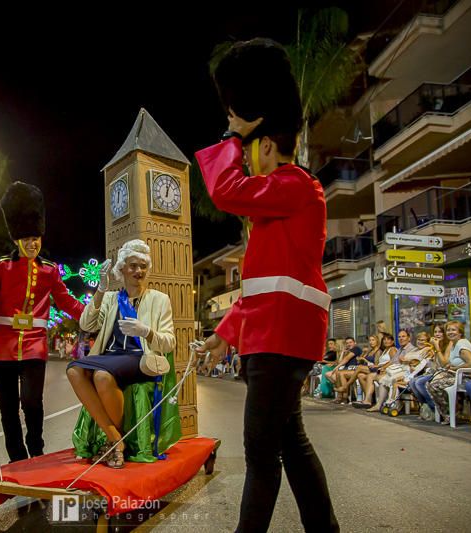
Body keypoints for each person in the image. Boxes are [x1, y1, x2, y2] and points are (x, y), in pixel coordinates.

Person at [193, 38, 338, 532]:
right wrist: (221, 334)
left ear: (267, 145)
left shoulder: (296, 185)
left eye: (250, 150)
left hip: (281, 339)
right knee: (289, 444)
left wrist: (232, 134)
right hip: (274, 333)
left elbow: (226, 188)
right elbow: (263, 286)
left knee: (261, 452)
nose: (246, 159)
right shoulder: (285, 198)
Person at [0, 181, 85, 462]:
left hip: (34, 346)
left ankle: (36, 450)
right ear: (17, 238)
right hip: (3, 346)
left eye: (36, 238)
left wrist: (90, 315)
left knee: (31, 402)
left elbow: (66, 301)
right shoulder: (0, 265)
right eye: (27, 238)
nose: (32, 243)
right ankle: (17, 457)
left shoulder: (50, 271)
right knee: (8, 406)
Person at [67, 240, 177, 468]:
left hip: (140, 358)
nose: (139, 271)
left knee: (101, 375)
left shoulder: (159, 299)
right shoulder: (110, 298)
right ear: (122, 269)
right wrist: (100, 290)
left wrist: (147, 332)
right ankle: (116, 439)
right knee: (75, 370)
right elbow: (86, 324)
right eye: (133, 265)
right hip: (110, 356)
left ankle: (114, 441)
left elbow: (169, 343)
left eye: (143, 266)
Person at [426, 321, 471, 425]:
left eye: (453, 330)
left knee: (434, 385)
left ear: (460, 332)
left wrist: (455, 368)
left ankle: (450, 414)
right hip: (456, 374)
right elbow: (447, 363)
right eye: (448, 330)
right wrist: (451, 366)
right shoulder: (454, 344)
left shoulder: (461, 344)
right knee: (428, 383)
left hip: (465, 377)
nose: (450, 332)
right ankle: (449, 413)